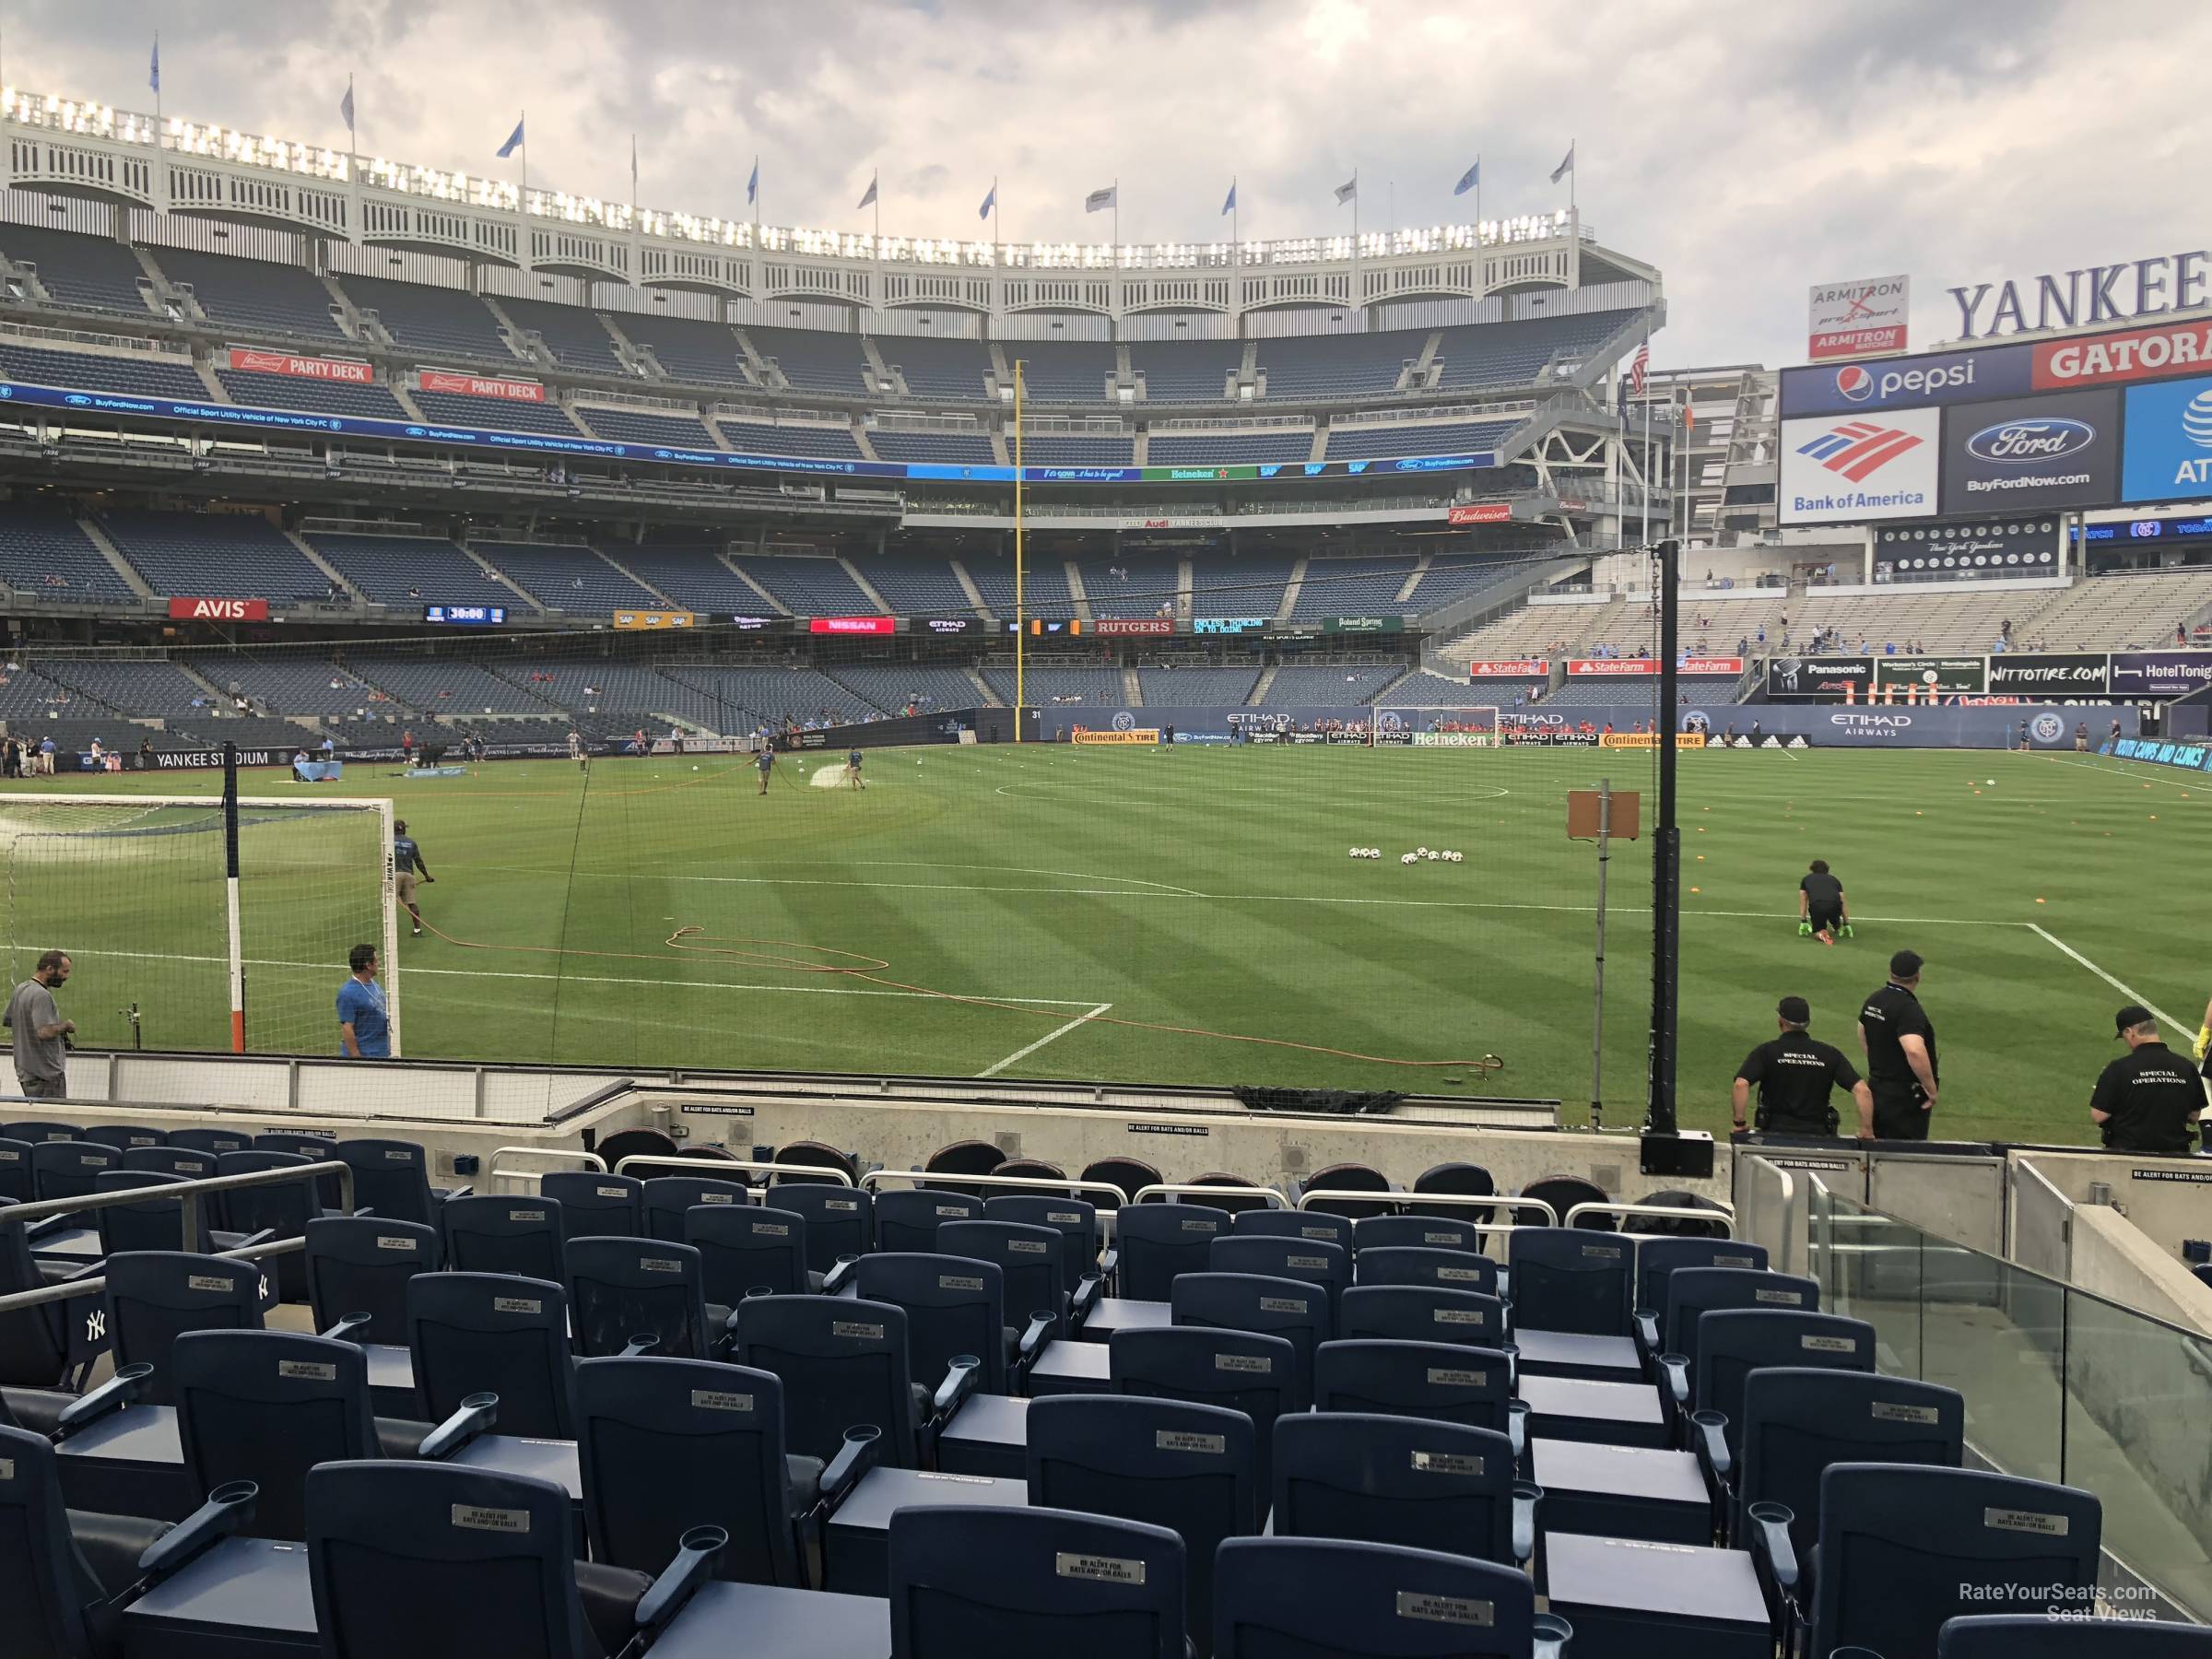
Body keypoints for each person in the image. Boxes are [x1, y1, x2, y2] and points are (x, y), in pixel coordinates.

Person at [1733, 995, 1875, 1139]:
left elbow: (1741, 1084)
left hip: (1773, 1134)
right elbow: (1863, 1091)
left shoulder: (1767, 1052)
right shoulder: (1829, 1054)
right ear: (1808, 1022)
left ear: (1781, 1021)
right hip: (1818, 1135)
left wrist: (1740, 1123)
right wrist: (1866, 1130)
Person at [2089, 1006, 2204, 1153]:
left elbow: (2099, 1115)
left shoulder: (2118, 1069)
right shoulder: (2186, 1067)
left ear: (2130, 1032)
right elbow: (2194, 1116)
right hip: (2175, 1155)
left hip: (2126, 1155)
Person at [1859, 950, 1938, 1139]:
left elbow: (1862, 1031)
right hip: (1903, 1098)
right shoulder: (1908, 1008)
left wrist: (1880, 1061)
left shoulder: (1874, 999)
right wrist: (1930, 1087)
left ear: (1890, 971)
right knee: (1904, 1155)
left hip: (1877, 1087)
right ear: (1917, 976)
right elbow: (1914, 1050)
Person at [4, 949, 75, 1099]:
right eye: (64, 971)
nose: (67, 977)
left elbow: (9, 1020)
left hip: (26, 1072)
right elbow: (44, 1032)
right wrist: (65, 1026)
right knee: (52, 1119)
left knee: (37, 1117)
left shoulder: (20, 989)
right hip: (45, 1074)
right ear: (49, 969)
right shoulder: (41, 995)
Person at [336, 944, 390, 1059]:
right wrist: (358, 1059)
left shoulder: (373, 984)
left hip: (381, 1053)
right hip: (366, 1056)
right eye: (376, 960)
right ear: (368, 965)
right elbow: (347, 1028)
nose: (378, 963)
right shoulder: (348, 993)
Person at [393, 818, 435, 938]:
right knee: (412, 903)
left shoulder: (388, 841)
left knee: (389, 903)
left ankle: (389, 930)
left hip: (393, 875)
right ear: (403, 830)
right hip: (408, 875)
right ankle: (417, 930)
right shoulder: (411, 843)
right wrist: (426, 876)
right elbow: (418, 861)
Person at [1799, 859, 1848, 946]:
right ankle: (1836, 926)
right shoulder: (1834, 879)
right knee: (1835, 921)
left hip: (1818, 906)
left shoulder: (1806, 879)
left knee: (1818, 930)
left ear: (1812, 869)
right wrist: (1846, 923)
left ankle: (1822, 934)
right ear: (1827, 869)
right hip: (1835, 906)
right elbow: (1842, 900)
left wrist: (1803, 921)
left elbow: (1803, 900)